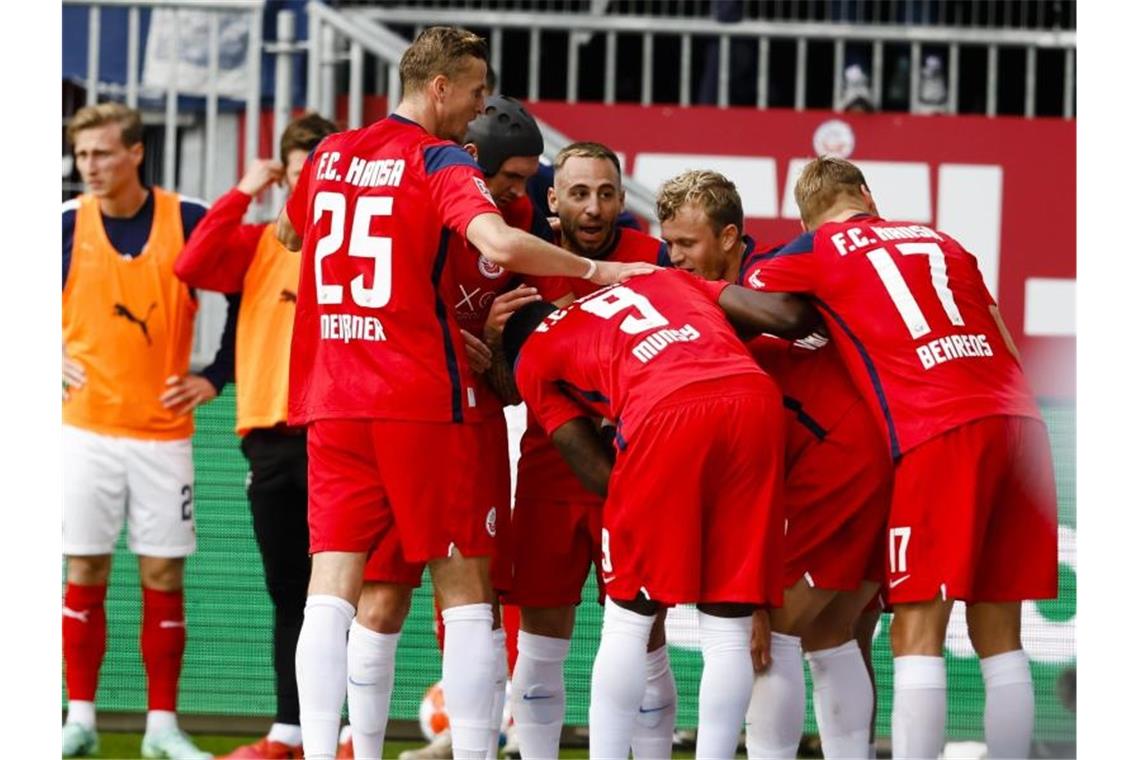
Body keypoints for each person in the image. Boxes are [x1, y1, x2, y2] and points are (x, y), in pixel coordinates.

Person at [274, 27, 655, 760]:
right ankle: (477, 752)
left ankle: (324, 751)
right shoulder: (439, 158)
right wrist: (606, 274)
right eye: (478, 90)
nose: (482, 103)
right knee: (467, 592)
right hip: (421, 397)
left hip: (333, 395)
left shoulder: (329, 153)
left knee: (331, 589)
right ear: (441, 87)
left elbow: (291, 236)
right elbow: (502, 245)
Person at [744, 156, 1058, 759]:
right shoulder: (943, 239)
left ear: (808, 216)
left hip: (939, 430)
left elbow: (756, 292)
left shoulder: (817, 250)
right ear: (866, 193)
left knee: (918, 633)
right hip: (1021, 422)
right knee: (1002, 642)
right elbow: (1001, 334)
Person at [501, 268, 816, 760]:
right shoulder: (663, 279)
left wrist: (614, 433)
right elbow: (786, 315)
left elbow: (600, 476)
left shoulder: (533, 355)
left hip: (666, 409)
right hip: (754, 399)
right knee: (728, 626)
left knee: (629, 616)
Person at [655, 169, 893, 760]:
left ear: (731, 236)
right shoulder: (784, 278)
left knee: (773, 635)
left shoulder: (781, 278)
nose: (675, 259)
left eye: (688, 244)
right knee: (837, 632)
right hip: (865, 457)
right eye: (669, 245)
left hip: (836, 463)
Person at [338, 94, 548, 760]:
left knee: (476, 595)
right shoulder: (419, 204)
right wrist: (453, 336)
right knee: (380, 600)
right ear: (470, 159)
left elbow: (510, 366)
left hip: (475, 423)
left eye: (527, 179)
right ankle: (353, 744)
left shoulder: (517, 222)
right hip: (400, 412)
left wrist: (495, 338)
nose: (520, 193)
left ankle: (474, 743)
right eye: (510, 177)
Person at [61, 102, 236, 760]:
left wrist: (215, 376)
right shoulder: (63, 224)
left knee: (163, 574)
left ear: (136, 152)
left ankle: (162, 727)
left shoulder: (186, 218)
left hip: (164, 433)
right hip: (84, 431)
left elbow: (247, 291)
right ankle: (80, 718)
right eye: (82, 157)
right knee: (84, 567)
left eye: (103, 154)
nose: (91, 168)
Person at [496, 141, 674, 760]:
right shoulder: (525, 265)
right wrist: (495, 342)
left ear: (623, 200)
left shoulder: (656, 260)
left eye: (605, 193)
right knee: (542, 642)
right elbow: (500, 389)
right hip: (548, 475)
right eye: (578, 193)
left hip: (637, 475)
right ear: (553, 200)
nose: (593, 208)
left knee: (647, 640)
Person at [173, 111, 340, 760]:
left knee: (351, 592)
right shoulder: (254, 245)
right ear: (284, 177)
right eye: (297, 175)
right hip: (269, 438)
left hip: (338, 432)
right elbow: (193, 263)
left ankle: (351, 732)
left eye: (318, 174)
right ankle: (290, 732)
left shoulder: (356, 243)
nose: (308, 190)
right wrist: (244, 189)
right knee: (288, 593)